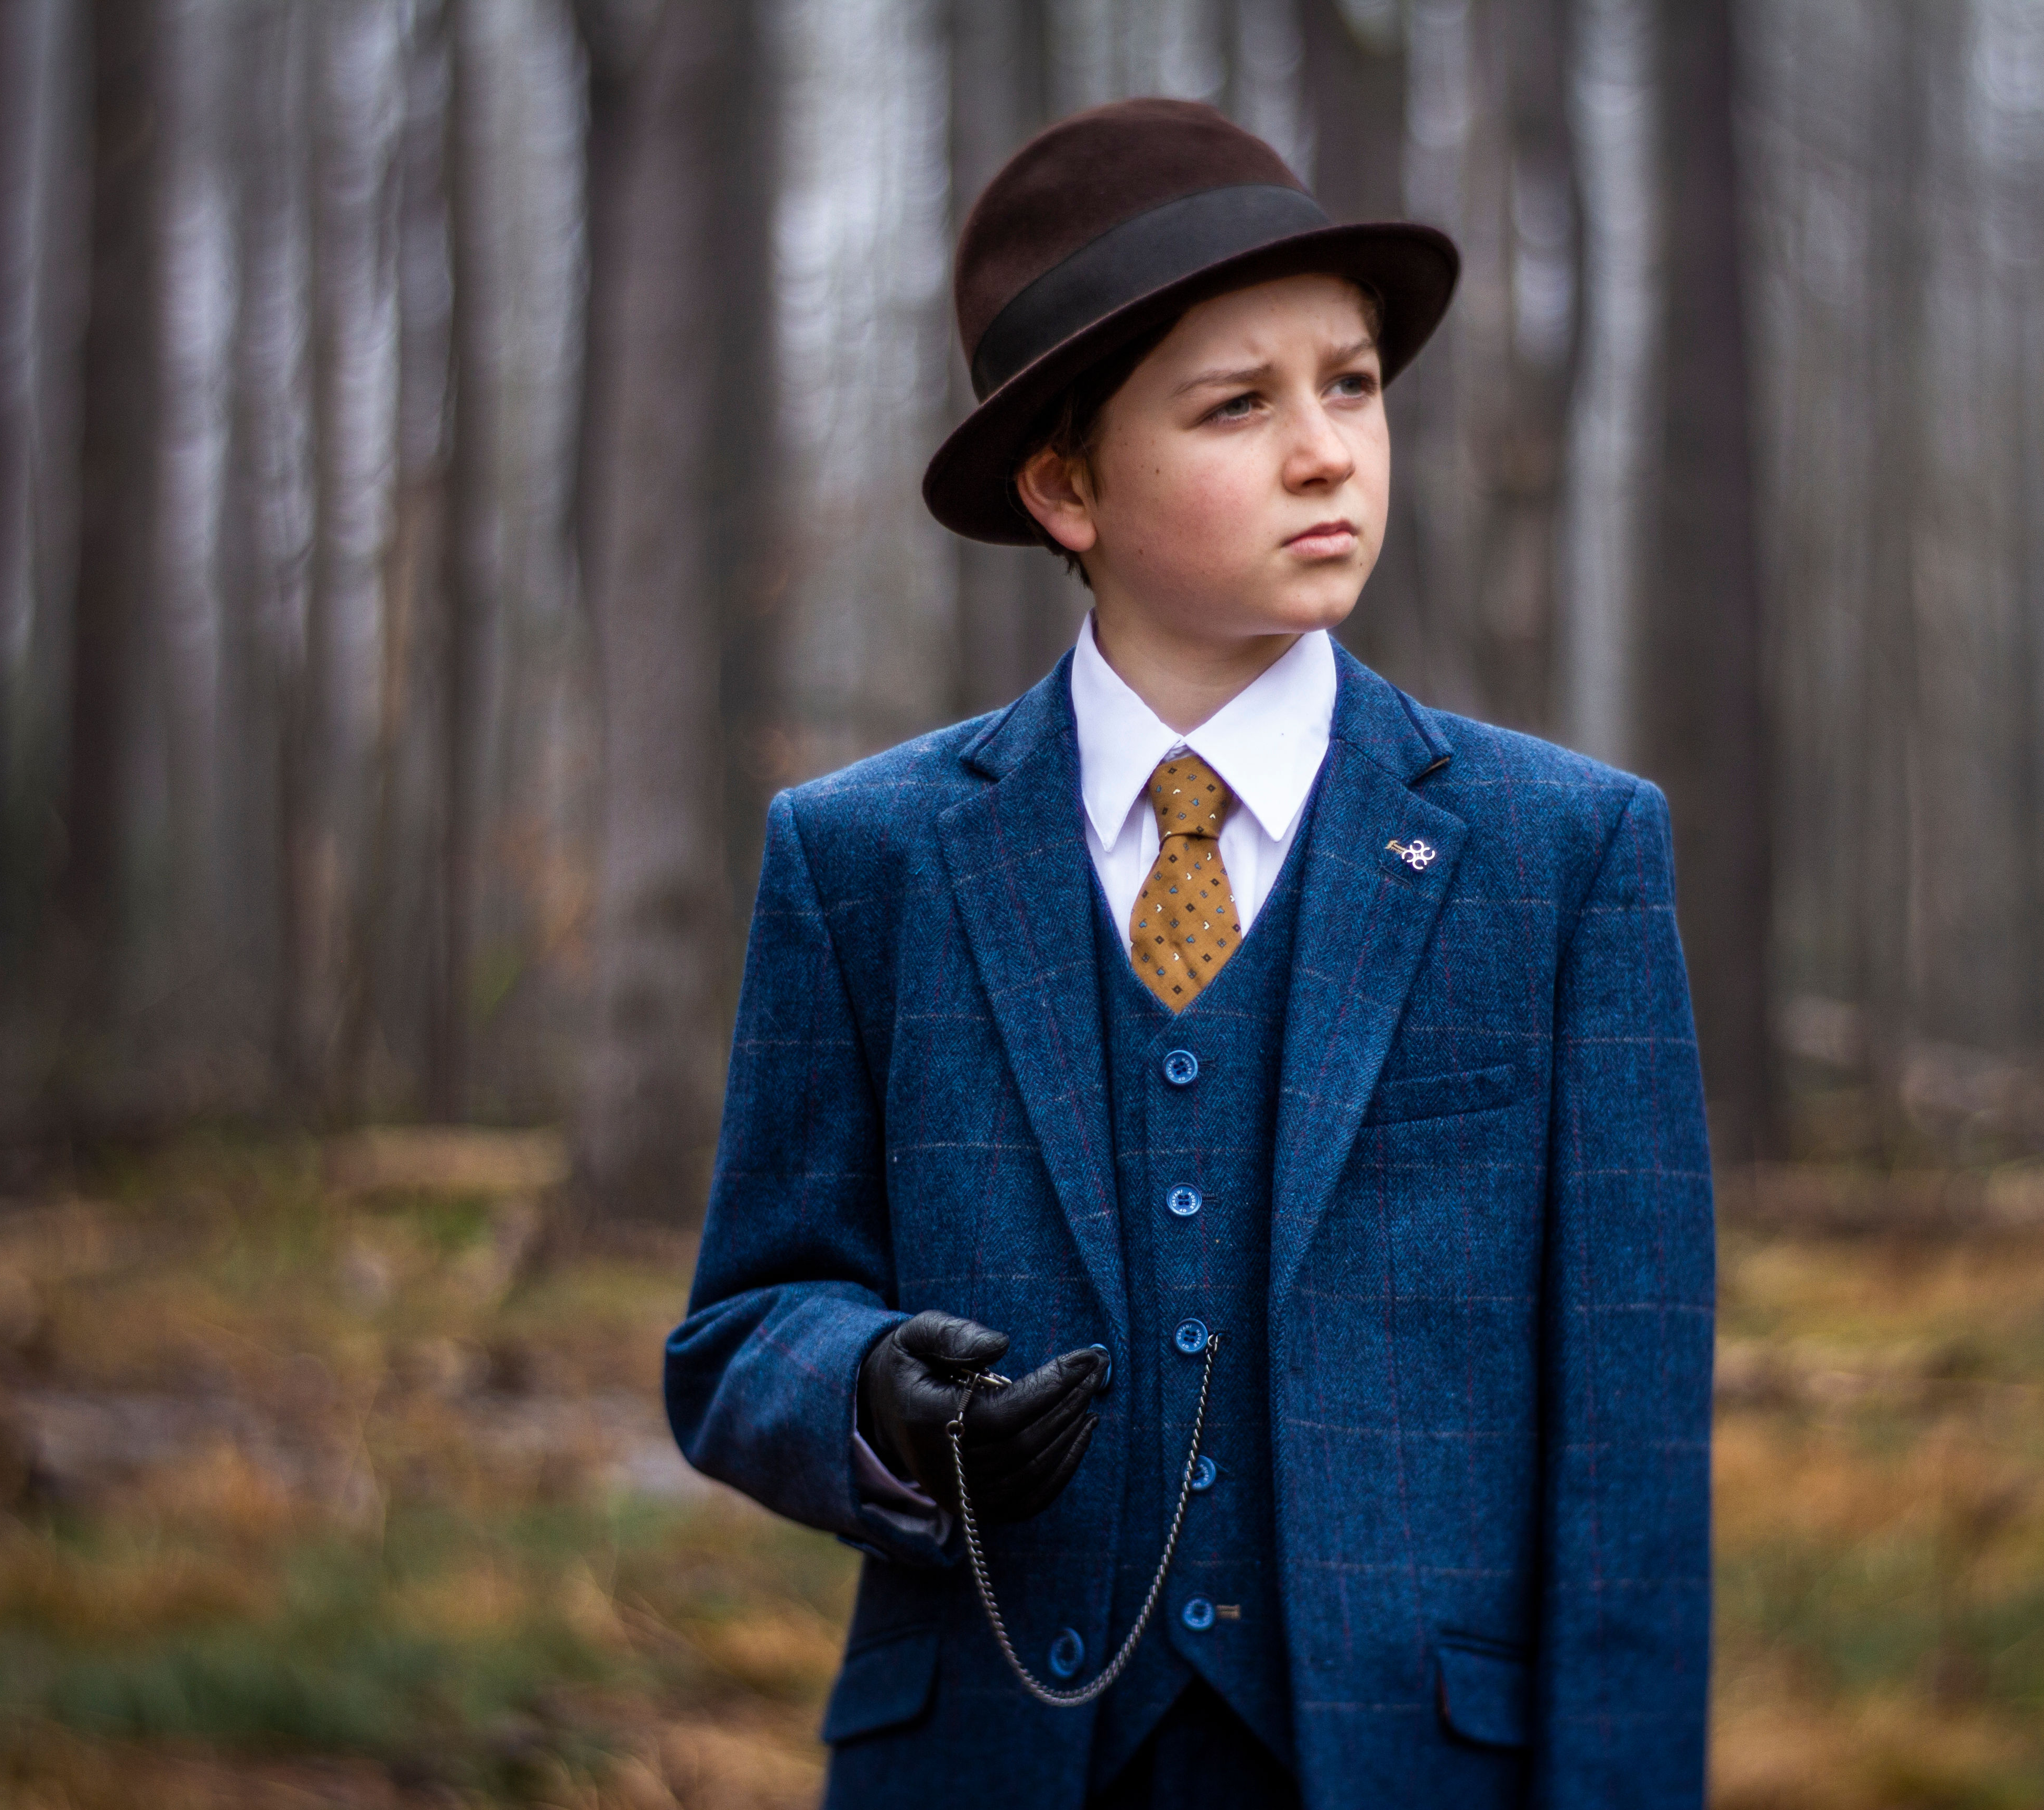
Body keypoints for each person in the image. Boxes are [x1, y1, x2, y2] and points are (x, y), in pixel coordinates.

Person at [663, 98, 1712, 1810]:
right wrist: (864, 1392)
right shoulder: (866, 860)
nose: (1328, 453)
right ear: (1065, 483)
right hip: (994, 1757)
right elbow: (736, 1334)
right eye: (1239, 404)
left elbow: (1632, 1470)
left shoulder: (1563, 858)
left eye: (1353, 384)